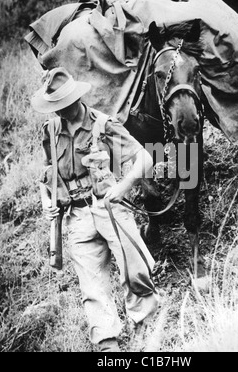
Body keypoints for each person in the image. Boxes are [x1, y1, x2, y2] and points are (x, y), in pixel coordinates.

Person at [31, 67, 159, 352]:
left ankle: (144, 330)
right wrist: (46, 201)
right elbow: (47, 173)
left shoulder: (104, 124)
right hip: (76, 216)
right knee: (92, 285)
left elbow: (145, 159)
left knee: (134, 269)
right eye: (55, 106)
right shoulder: (50, 132)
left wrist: (122, 187)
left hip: (109, 209)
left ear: (76, 98)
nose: (61, 111)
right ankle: (107, 344)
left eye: (64, 104)